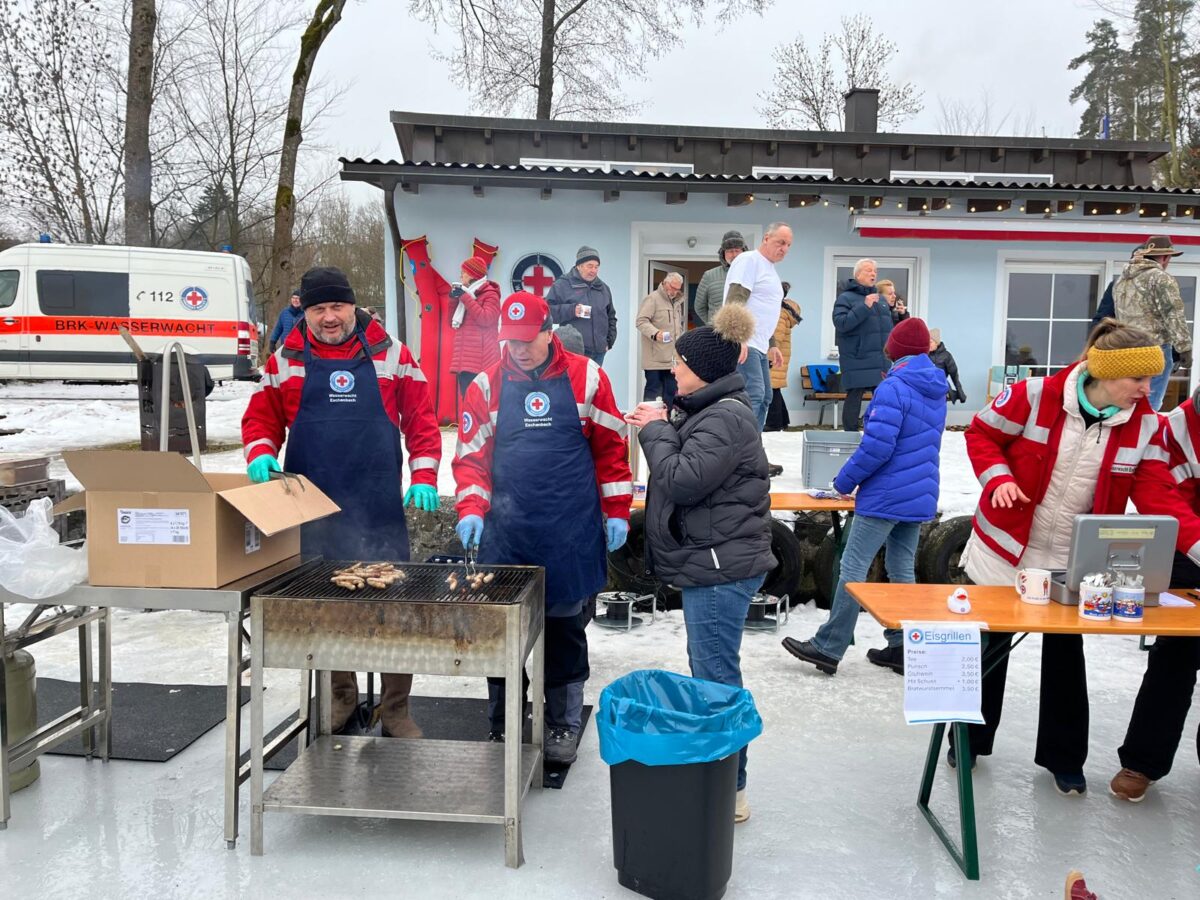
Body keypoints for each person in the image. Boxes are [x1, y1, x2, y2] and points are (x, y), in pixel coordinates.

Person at [956, 318, 1200, 795]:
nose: (1148, 389)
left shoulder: (1144, 423)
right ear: (1105, 372)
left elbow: (1159, 494)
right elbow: (981, 435)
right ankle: (969, 743)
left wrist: (1195, 544)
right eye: (1139, 379)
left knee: (1067, 653)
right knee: (990, 649)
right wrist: (999, 478)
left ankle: (1063, 759)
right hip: (1005, 548)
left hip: (1073, 555)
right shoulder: (1033, 396)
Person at [242, 265, 442, 738]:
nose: (329, 317)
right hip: (311, 507)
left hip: (377, 503)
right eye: (318, 309)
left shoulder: (392, 354)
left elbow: (421, 420)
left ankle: (395, 708)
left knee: (394, 607)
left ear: (353, 305)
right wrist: (261, 453)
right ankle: (341, 696)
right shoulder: (285, 359)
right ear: (304, 312)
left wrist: (426, 473)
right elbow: (260, 419)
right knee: (326, 608)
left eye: (337, 306)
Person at [453, 291, 632, 764]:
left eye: (528, 340)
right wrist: (471, 507)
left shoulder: (588, 377)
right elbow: (472, 457)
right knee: (503, 634)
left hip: (568, 527)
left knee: (563, 630)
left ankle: (562, 724)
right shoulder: (486, 386)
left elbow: (612, 451)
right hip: (506, 532)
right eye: (510, 342)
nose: (519, 350)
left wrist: (616, 512)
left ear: (549, 333)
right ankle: (504, 722)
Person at [625, 303, 774, 824]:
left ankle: (730, 787)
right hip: (715, 557)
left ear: (704, 371)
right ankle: (722, 776)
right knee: (710, 668)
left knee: (715, 675)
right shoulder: (711, 409)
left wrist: (655, 432)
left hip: (720, 566)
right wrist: (665, 420)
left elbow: (683, 478)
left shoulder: (727, 416)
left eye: (681, 366)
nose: (673, 372)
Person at [781, 318, 946, 675]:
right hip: (918, 492)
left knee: (851, 568)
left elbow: (877, 447)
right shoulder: (935, 387)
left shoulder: (894, 387)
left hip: (886, 494)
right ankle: (903, 647)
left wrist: (843, 482)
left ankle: (829, 646)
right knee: (902, 569)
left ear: (895, 350)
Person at [1109, 384, 1200, 802]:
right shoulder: (1179, 426)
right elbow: (1164, 499)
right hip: (1190, 548)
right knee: (1175, 658)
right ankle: (1142, 761)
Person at [722, 222, 792, 431]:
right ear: (766, 239)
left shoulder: (769, 268)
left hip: (760, 344)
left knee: (766, 397)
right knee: (753, 394)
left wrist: (772, 344)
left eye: (788, 245)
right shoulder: (749, 260)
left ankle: (753, 450)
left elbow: (763, 310)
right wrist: (738, 338)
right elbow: (735, 300)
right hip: (746, 343)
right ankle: (741, 452)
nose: (785, 249)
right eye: (781, 242)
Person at [1113, 234, 1193, 411]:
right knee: (1150, 404)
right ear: (1165, 257)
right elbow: (1173, 313)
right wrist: (1184, 348)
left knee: (1126, 403)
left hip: (1126, 347)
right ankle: (1144, 436)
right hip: (1154, 348)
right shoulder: (1160, 278)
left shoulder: (1122, 280)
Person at [833, 258, 893, 432]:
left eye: (875, 270)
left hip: (879, 358)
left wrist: (901, 316)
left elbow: (887, 328)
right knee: (855, 395)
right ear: (858, 274)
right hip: (857, 357)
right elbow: (841, 323)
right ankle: (850, 433)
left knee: (882, 397)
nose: (873, 273)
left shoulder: (881, 300)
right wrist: (864, 306)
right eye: (868, 270)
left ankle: (879, 430)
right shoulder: (845, 297)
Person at [545, 245, 617, 365]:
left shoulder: (603, 288)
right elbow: (547, 313)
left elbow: (611, 317)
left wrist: (609, 342)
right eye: (590, 266)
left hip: (599, 352)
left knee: (593, 383)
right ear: (579, 266)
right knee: (574, 383)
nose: (593, 270)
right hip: (573, 351)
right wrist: (571, 310)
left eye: (596, 267)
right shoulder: (562, 285)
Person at [449, 255, 501, 402]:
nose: (460, 275)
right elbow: (451, 322)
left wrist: (465, 298)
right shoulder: (466, 293)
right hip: (465, 359)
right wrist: (453, 299)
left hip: (483, 360)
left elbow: (486, 319)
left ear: (472, 274)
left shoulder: (491, 294)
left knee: (480, 402)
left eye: (463, 272)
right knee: (467, 401)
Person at [635, 271, 687, 409]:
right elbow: (640, 321)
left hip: (672, 358)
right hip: (654, 358)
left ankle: (667, 421)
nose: (675, 291)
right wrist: (655, 333)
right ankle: (647, 423)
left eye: (678, 289)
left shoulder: (677, 302)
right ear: (665, 283)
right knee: (653, 391)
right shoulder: (652, 299)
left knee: (671, 391)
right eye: (673, 288)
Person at [764, 281, 802, 433]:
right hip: (780, 354)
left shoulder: (778, 313)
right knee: (775, 388)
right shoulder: (782, 311)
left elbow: (776, 337)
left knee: (772, 388)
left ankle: (774, 423)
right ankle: (783, 420)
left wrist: (769, 356)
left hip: (774, 354)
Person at [694, 230, 747, 324]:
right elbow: (699, 307)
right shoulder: (709, 276)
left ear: (744, 252)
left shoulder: (753, 275)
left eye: (737, 250)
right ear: (723, 254)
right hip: (716, 334)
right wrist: (713, 324)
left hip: (745, 334)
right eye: (730, 251)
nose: (734, 255)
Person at [928, 327, 966, 404]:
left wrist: (960, 392)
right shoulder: (925, 355)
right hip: (927, 387)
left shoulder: (946, 356)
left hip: (941, 387)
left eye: (930, 342)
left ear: (936, 342)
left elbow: (954, 375)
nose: (928, 345)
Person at [267, 290, 304, 354]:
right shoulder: (284, 312)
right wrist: (272, 341)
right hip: (285, 346)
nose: (295, 300)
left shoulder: (305, 314)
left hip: (300, 348)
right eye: (293, 298)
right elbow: (278, 329)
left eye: (298, 298)